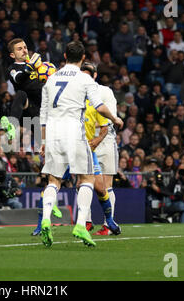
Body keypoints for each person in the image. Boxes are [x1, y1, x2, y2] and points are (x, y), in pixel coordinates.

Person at [39, 41, 123, 247]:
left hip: (53, 133)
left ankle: (46, 219)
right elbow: (100, 107)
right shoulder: (85, 80)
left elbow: (43, 114)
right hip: (74, 132)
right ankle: (80, 225)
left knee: (53, 180)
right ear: (83, 57)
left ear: (65, 55)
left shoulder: (51, 79)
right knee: (87, 178)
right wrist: (115, 118)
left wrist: (43, 140)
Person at [78, 62, 121, 236]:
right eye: (83, 73)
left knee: (106, 184)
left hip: (105, 139)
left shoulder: (105, 91)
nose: (86, 76)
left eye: (89, 73)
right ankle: (86, 221)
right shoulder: (76, 92)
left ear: (95, 75)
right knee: (83, 182)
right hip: (84, 140)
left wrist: (90, 123)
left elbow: (110, 117)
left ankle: (107, 225)